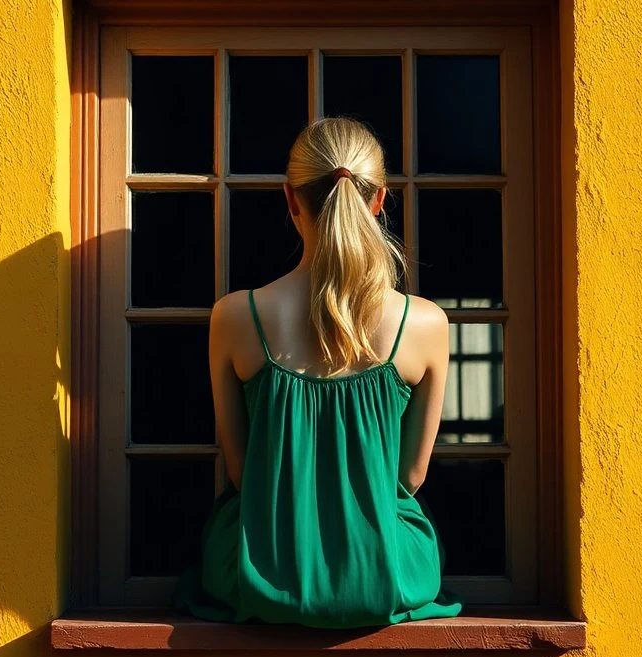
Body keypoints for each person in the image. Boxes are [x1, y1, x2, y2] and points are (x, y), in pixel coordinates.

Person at [172, 117, 463, 628]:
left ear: (291, 199)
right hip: (382, 573)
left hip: (263, 571)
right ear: (379, 200)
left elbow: (242, 473)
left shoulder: (236, 316)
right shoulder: (425, 322)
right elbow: (410, 479)